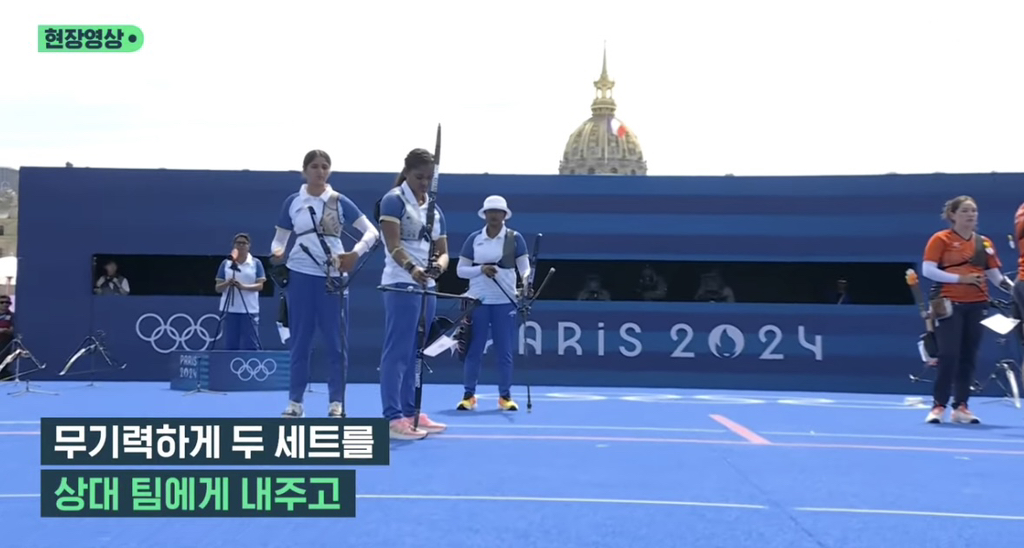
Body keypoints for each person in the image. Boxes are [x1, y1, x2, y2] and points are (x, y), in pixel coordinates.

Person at [270, 150, 379, 418]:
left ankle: (336, 402)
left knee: (336, 343)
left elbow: (372, 232)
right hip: (300, 276)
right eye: (315, 166)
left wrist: (355, 254)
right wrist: (278, 251)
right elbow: (279, 239)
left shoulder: (339, 201)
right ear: (304, 170)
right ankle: (295, 403)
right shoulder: (293, 202)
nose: (320, 171)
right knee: (300, 342)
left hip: (333, 278)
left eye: (324, 166)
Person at [377, 148, 450, 440]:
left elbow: (444, 252)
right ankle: (392, 417)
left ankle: (411, 412)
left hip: (427, 288)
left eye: (429, 178)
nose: (424, 183)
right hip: (400, 284)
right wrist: (412, 268)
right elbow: (393, 245)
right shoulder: (393, 200)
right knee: (397, 352)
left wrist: (438, 268)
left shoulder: (435, 210)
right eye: (419, 177)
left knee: (415, 353)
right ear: (407, 172)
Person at [921, 195, 1014, 424]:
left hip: (977, 305)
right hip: (948, 304)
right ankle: (938, 406)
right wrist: (961, 279)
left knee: (969, 356)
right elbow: (928, 270)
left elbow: (996, 277)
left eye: (973, 210)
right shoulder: (940, 239)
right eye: (965, 211)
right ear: (953, 215)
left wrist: (1016, 290)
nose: (971, 214)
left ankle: (961, 407)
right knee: (948, 354)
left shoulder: (984, 243)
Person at [454, 195, 531, 411]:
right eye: (490, 211)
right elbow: (460, 270)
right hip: (477, 301)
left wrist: (526, 282)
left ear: (505, 215)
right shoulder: (474, 238)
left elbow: (524, 267)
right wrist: (481, 269)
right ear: (485, 214)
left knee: (504, 351)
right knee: (474, 350)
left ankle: (505, 397)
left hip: (505, 301)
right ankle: (469, 396)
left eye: (498, 211)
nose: (494, 215)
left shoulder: (515, 238)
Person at [214, 233, 266, 350]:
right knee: (231, 343)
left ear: (249, 246)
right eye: (238, 243)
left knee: (250, 343)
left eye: (244, 243)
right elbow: (218, 288)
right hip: (230, 309)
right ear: (234, 245)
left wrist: (243, 287)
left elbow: (260, 286)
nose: (241, 246)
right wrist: (227, 283)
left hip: (250, 309)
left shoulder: (255, 263)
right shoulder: (226, 263)